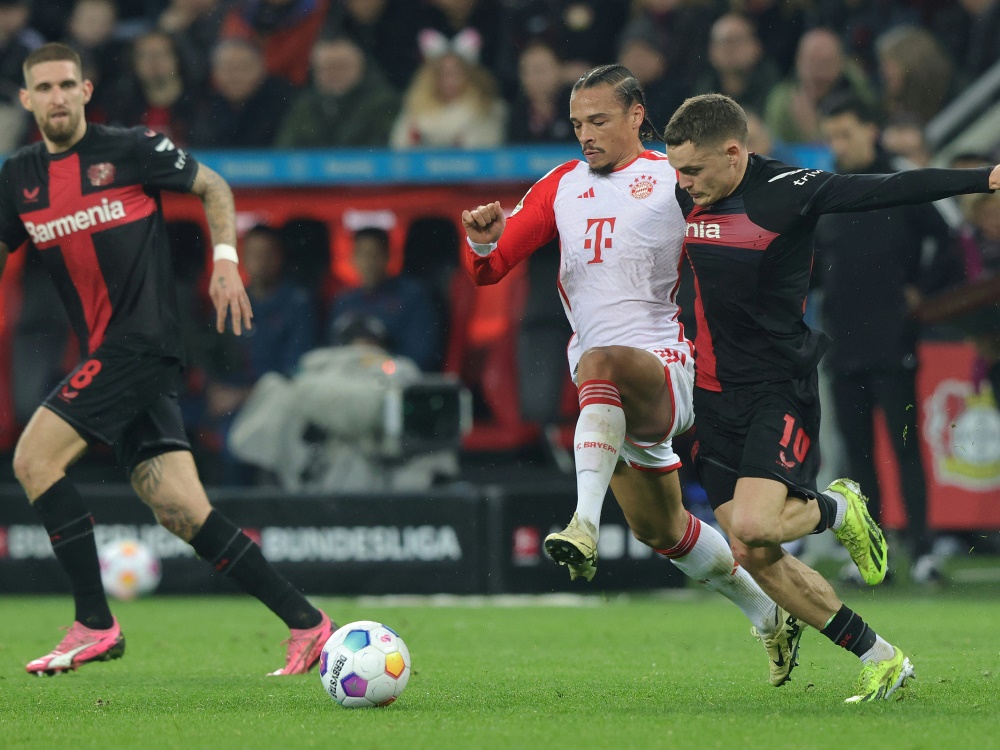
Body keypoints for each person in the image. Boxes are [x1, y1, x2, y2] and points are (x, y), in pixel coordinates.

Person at [461, 64, 805, 690]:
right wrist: (484, 244)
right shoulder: (560, 186)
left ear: (636, 115)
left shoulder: (672, 177)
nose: (585, 136)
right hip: (608, 395)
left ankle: (582, 523)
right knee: (663, 531)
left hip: (663, 365)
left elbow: (753, 211)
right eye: (575, 125)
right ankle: (769, 615)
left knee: (601, 361)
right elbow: (494, 269)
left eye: (598, 121)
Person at [1, 43, 335, 676]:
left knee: (33, 458)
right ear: (26, 99)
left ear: (85, 90)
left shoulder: (129, 149)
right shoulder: (17, 177)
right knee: (183, 510)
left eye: (67, 84)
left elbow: (213, 186)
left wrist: (226, 266)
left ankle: (93, 623)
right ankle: (309, 623)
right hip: (110, 355)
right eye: (42, 87)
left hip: (142, 343)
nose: (56, 96)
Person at [663, 92, 999, 701]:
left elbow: (890, 188)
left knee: (761, 525)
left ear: (734, 153)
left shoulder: (791, 189)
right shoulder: (685, 189)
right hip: (713, 395)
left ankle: (838, 509)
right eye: (676, 169)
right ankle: (882, 657)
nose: (682, 183)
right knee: (750, 548)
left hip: (777, 388)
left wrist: (985, 177)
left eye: (692, 171)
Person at [814, 96, 960, 585]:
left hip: (893, 339)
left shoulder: (896, 182)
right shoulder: (828, 190)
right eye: (832, 136)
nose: (838, 145)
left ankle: (921, 551)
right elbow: (811, 265)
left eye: (846, 134)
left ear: (871, 131)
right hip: (841, 345)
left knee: (904, 449)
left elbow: (949, 240)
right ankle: (872, 559)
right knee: (854, 460)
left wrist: (923, 289)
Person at [327, 226, 441, 372]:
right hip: (344, 373)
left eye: (375, 255)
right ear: (352, 258)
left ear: (388, 256)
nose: (369, 263)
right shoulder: (343, 301)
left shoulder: (412, 297)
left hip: (389, 375)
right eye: (363, 255)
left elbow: (421, 357)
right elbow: (328, 348)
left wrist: (375, 351)